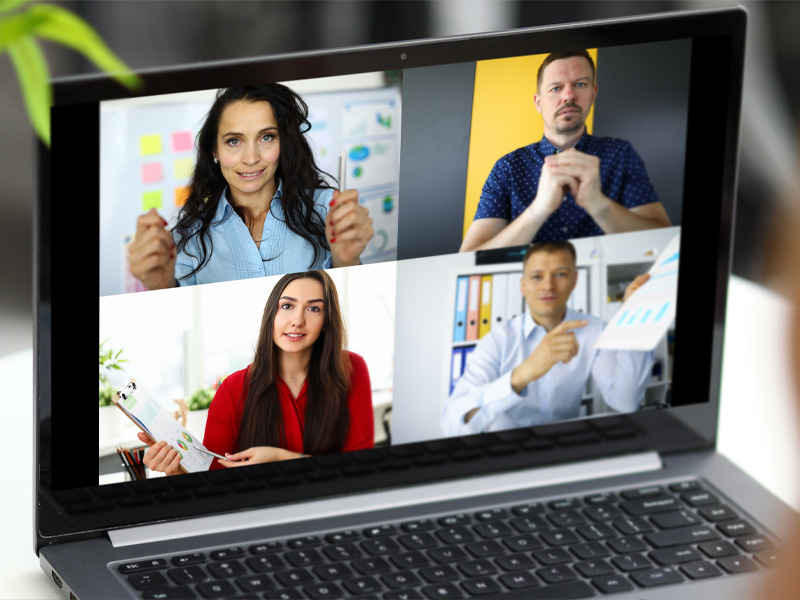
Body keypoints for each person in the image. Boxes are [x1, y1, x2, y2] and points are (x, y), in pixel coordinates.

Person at [129, 84, 374, 289]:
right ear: (215, 150)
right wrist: (160, 287)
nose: (251, 158)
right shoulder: (186, 238)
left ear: (283, 142)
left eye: (266, 137)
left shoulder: (327, 210)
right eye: (234, 141)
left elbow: (347, 309)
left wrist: (347, 262)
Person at [139, 270, 374, 474]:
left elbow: (360, 471)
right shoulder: (232, 388)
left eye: (313, 308)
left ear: (326, 322)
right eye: (287, 306)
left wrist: (279, 459)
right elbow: (213, 483)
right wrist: (174, 469)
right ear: (272, 314)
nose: (297, 320)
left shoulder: (351, 369)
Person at [460, 50, 671, 253]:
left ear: (593, 93)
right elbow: (468, 258)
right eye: (555, 88)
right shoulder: (507, 168)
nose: (569, 95)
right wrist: (538, 210)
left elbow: (664, 241)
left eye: (580, 84)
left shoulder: (620, 154)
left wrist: (599, 205)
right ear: (538, 102)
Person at [441, 240, 654, 436]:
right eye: (537, 277)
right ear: (523, 286)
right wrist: (523, 374)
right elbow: (452, 424)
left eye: (560, 274)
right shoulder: (497, 341)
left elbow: (625, 403)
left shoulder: (594, 331)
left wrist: (633, 319)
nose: (548, 287)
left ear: (574, 280)